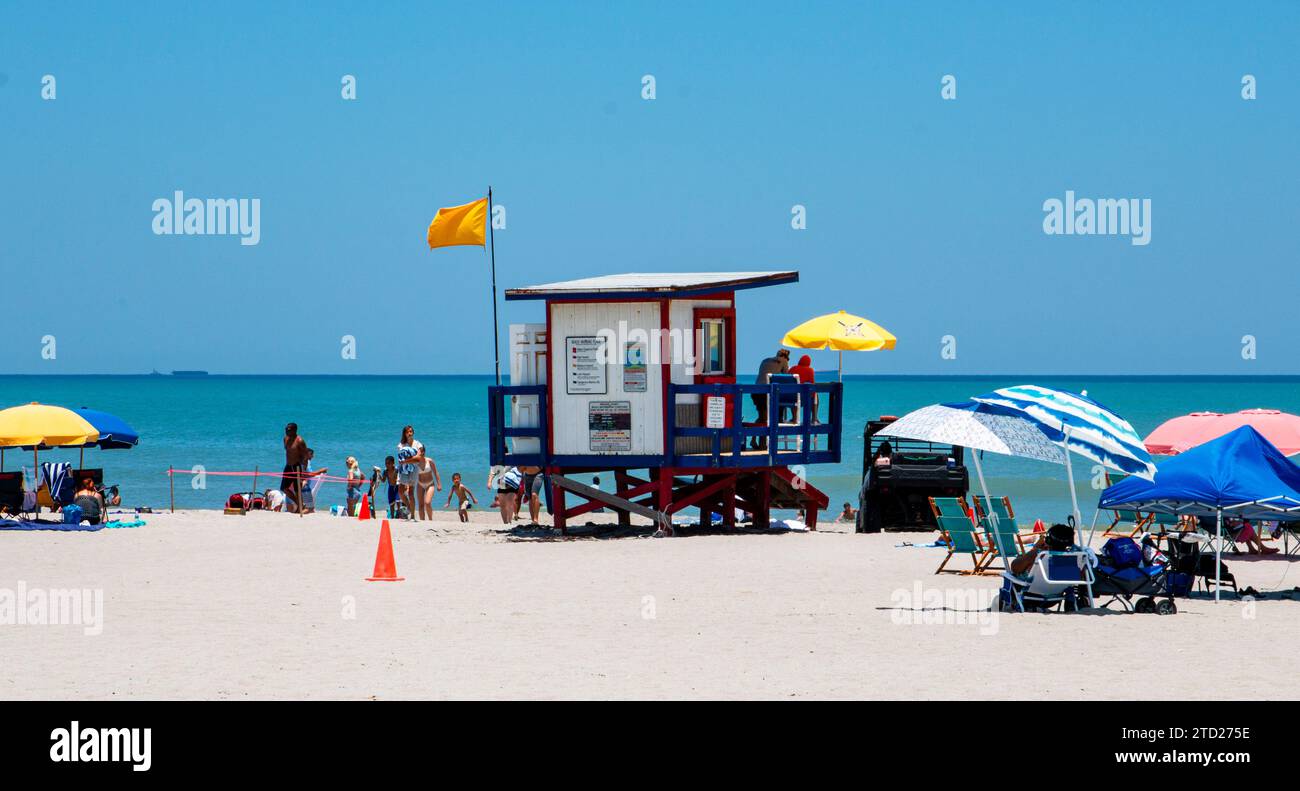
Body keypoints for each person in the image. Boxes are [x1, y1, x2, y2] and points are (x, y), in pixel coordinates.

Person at [751, 349, 790, 449]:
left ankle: (754, 439)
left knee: (762, 416)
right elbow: (787, 376)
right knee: (765, 418)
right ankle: (762, 445)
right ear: (785, 357)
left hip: (756, 391)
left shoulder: (765, 360)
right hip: (766, 392)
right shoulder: (783, 361)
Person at [396, 426, 425, 521]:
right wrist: (409, 460)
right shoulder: (401, 445)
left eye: (411, 431)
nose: (410, 433)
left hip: (414, 469)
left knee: (411, 492)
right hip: (404, 469)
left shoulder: (418, 444)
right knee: (400, 491)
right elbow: (401, 459)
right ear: (404, 433)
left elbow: (418, 458)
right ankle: (409, 507)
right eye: (408, 432)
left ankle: (412, 515)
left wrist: (406, 461)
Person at [282, 423, 308, 513]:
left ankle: (300, 508)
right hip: (288, 466)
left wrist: (304, 470)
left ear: (294, 430)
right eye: (286, 429)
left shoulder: (300, 441)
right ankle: (299, 503)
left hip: (296, 466)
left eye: (288, 430)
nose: (286, 431)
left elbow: (306, 455)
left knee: (298, 490)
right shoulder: (285, 439)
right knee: (284, 488)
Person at [417, 445, 442, 521]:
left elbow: (436, 472)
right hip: (420, 484)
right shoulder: (415, 462)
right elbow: (411, 474)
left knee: (427, 503)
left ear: (423, 452)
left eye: (418, 451)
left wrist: (439, 484)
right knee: (421, 505)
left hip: (430, 484)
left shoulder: (429, 461)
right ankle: (422, 521)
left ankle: (430, 520)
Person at [299, 448, 327, 514]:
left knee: (309, 504)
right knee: (309, 506)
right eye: (311, 454)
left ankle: (306, 510)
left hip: (307, 483)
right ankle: (304, 511)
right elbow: (305, 475)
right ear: (307, 454)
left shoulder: (307, 462)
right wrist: (320, 471)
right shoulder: (302, 462)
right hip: (304, 484)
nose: (312, 456)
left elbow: (308, 474)